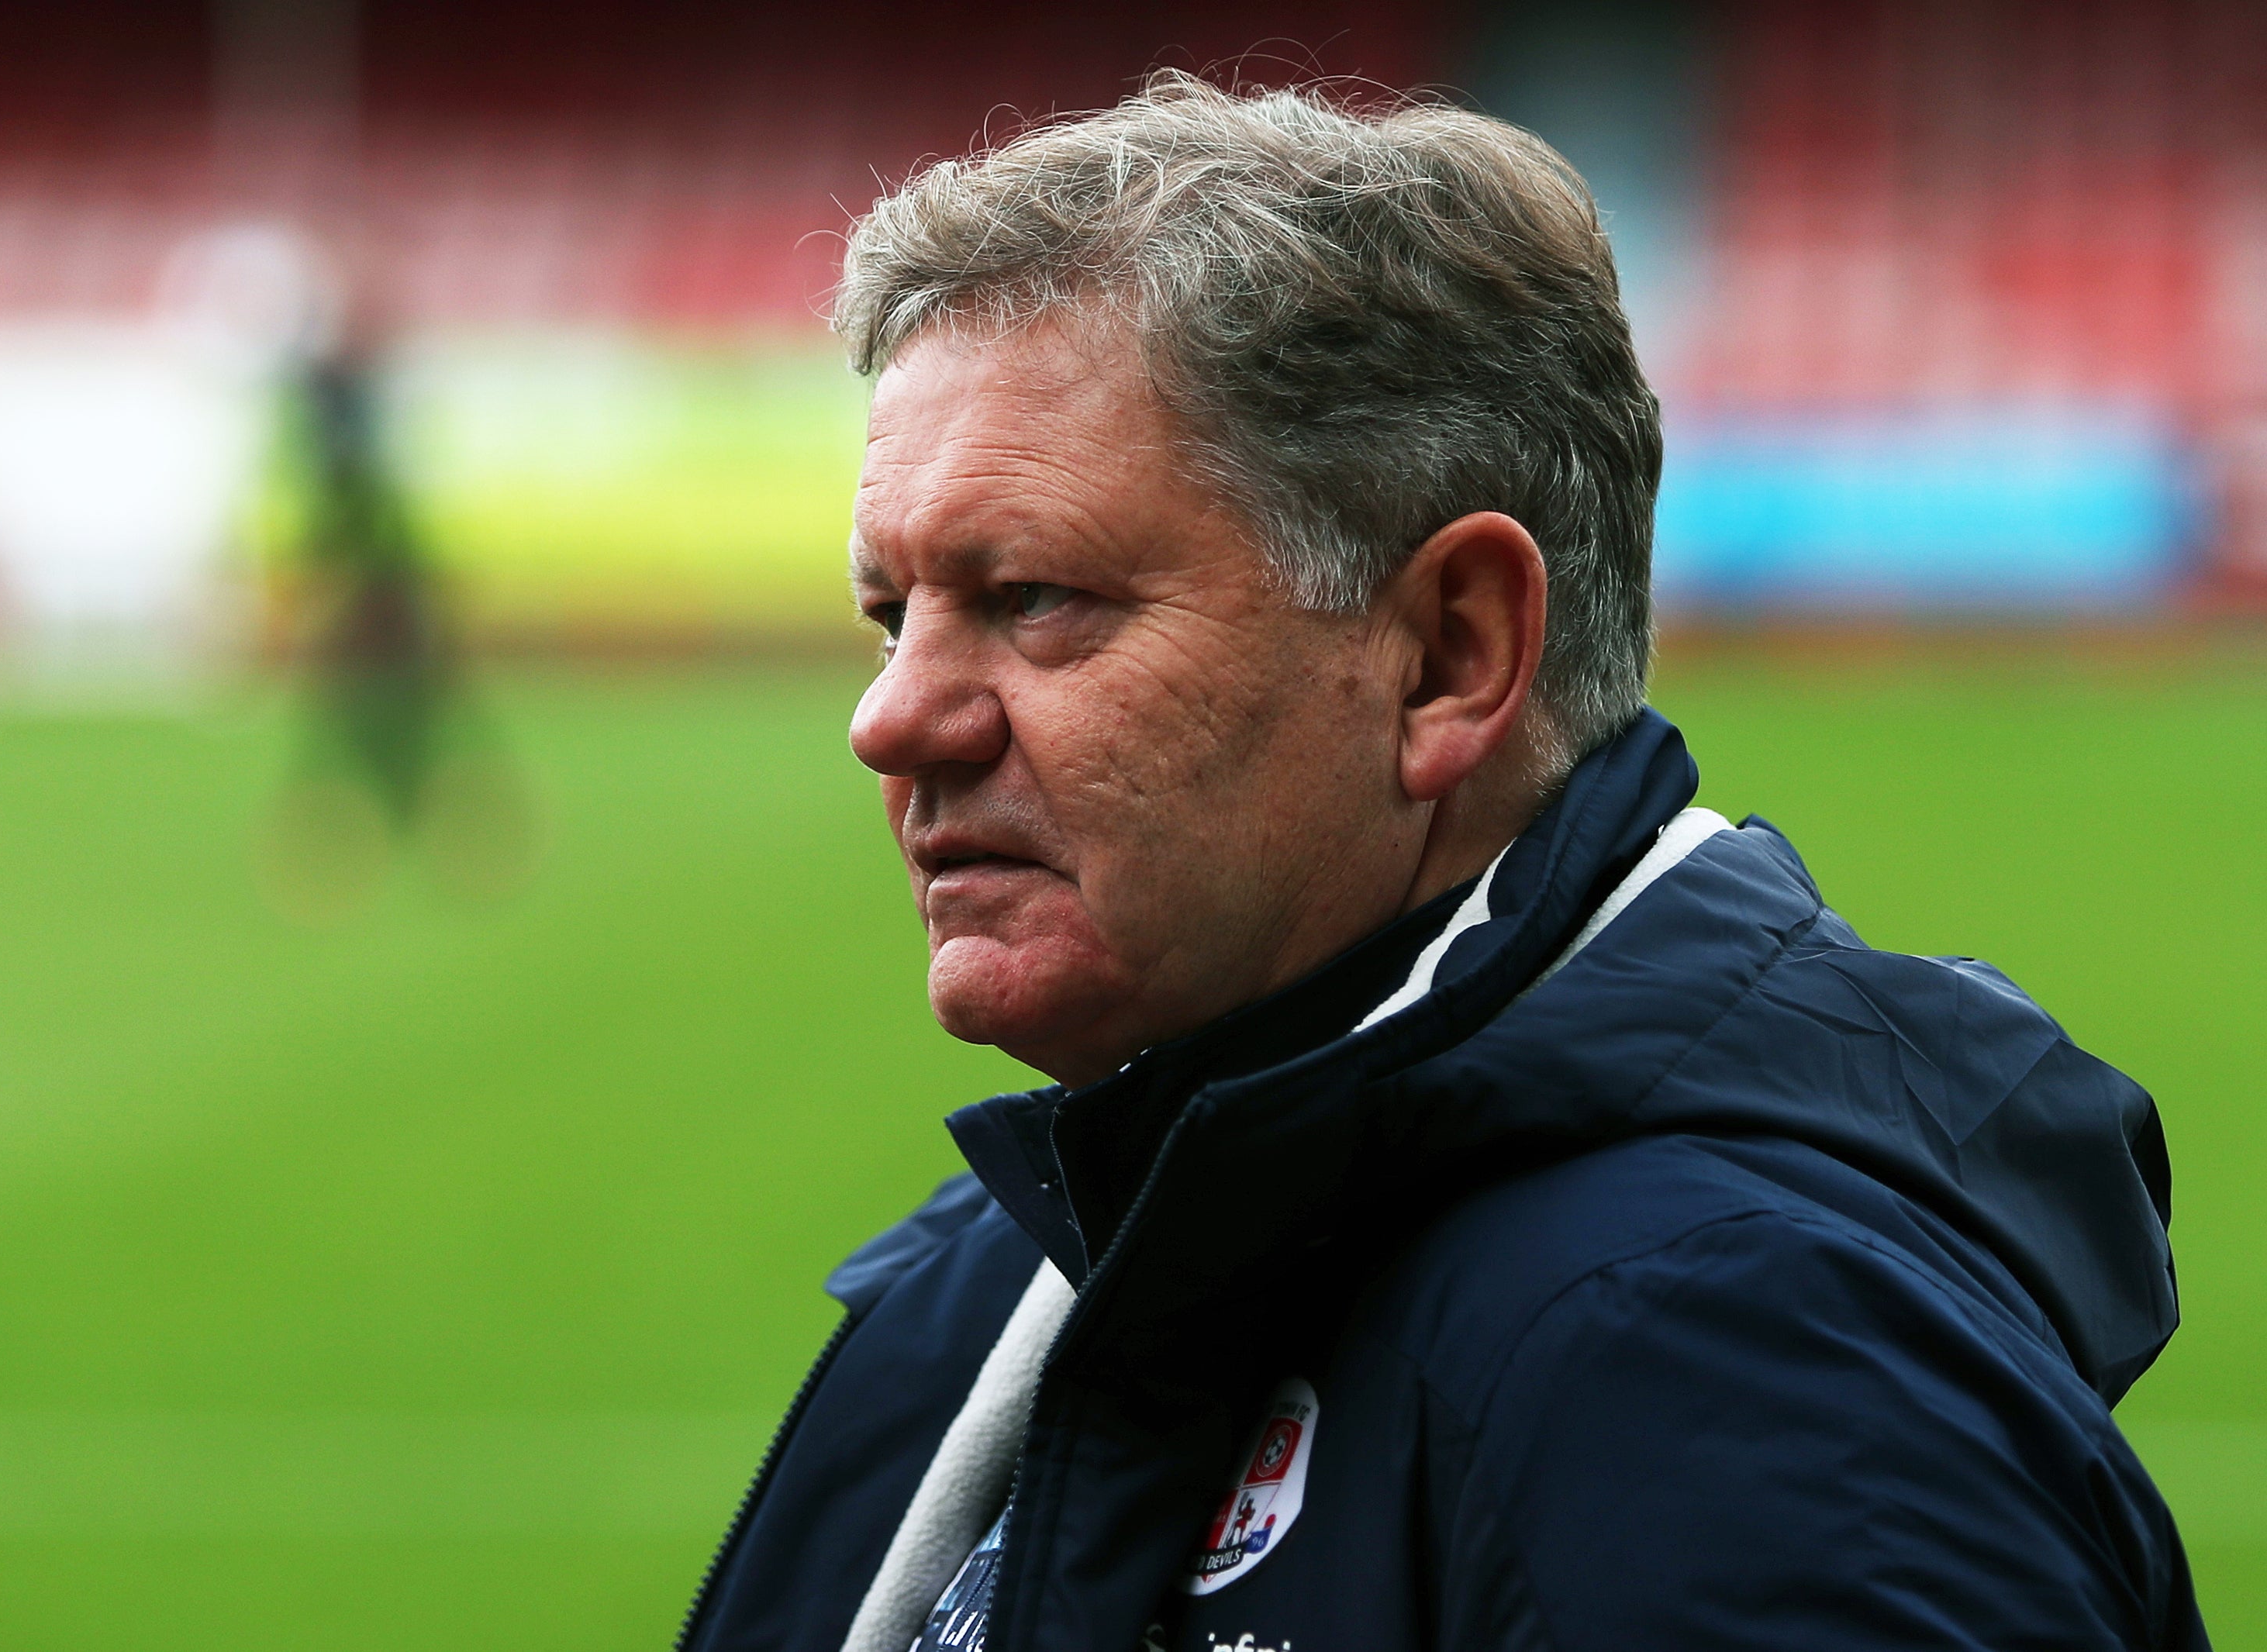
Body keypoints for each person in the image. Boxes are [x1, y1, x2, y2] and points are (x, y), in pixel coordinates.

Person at [675, 74, 2204, 1652]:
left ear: (1449, 656)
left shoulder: (1733, 1376)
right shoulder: (1031, 1260)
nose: (892, 719)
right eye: (889, 614)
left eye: (1037, 597)